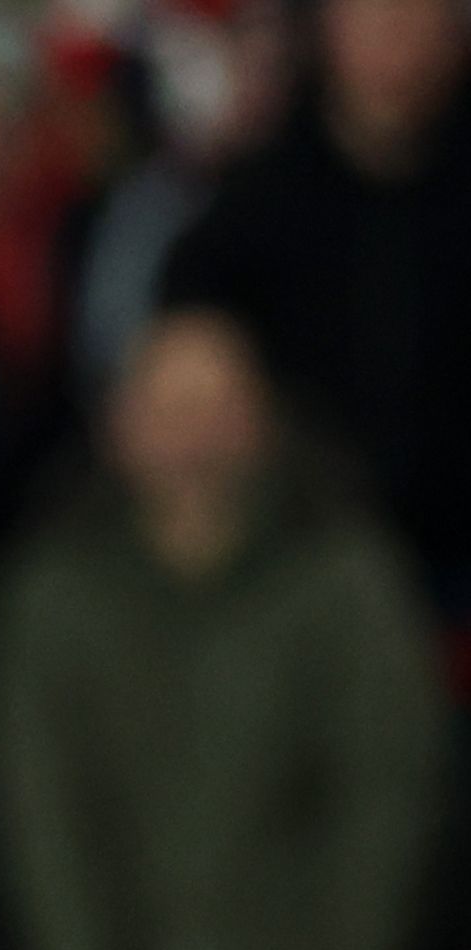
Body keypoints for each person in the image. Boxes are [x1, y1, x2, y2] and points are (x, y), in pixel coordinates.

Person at [0, 309, 448, 950]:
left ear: (260, 420)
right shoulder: (54, 599)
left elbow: (386, 802)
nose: (190, 442)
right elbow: (39, 815)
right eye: (166, 412)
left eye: (211, 410)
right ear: (117, 427)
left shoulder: (346, 587)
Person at [160, 0, 471, 612]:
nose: (394, 34)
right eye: (370, 14)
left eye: (417, 12)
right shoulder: (248, 210)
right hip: (296, 563)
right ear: (326, 28)